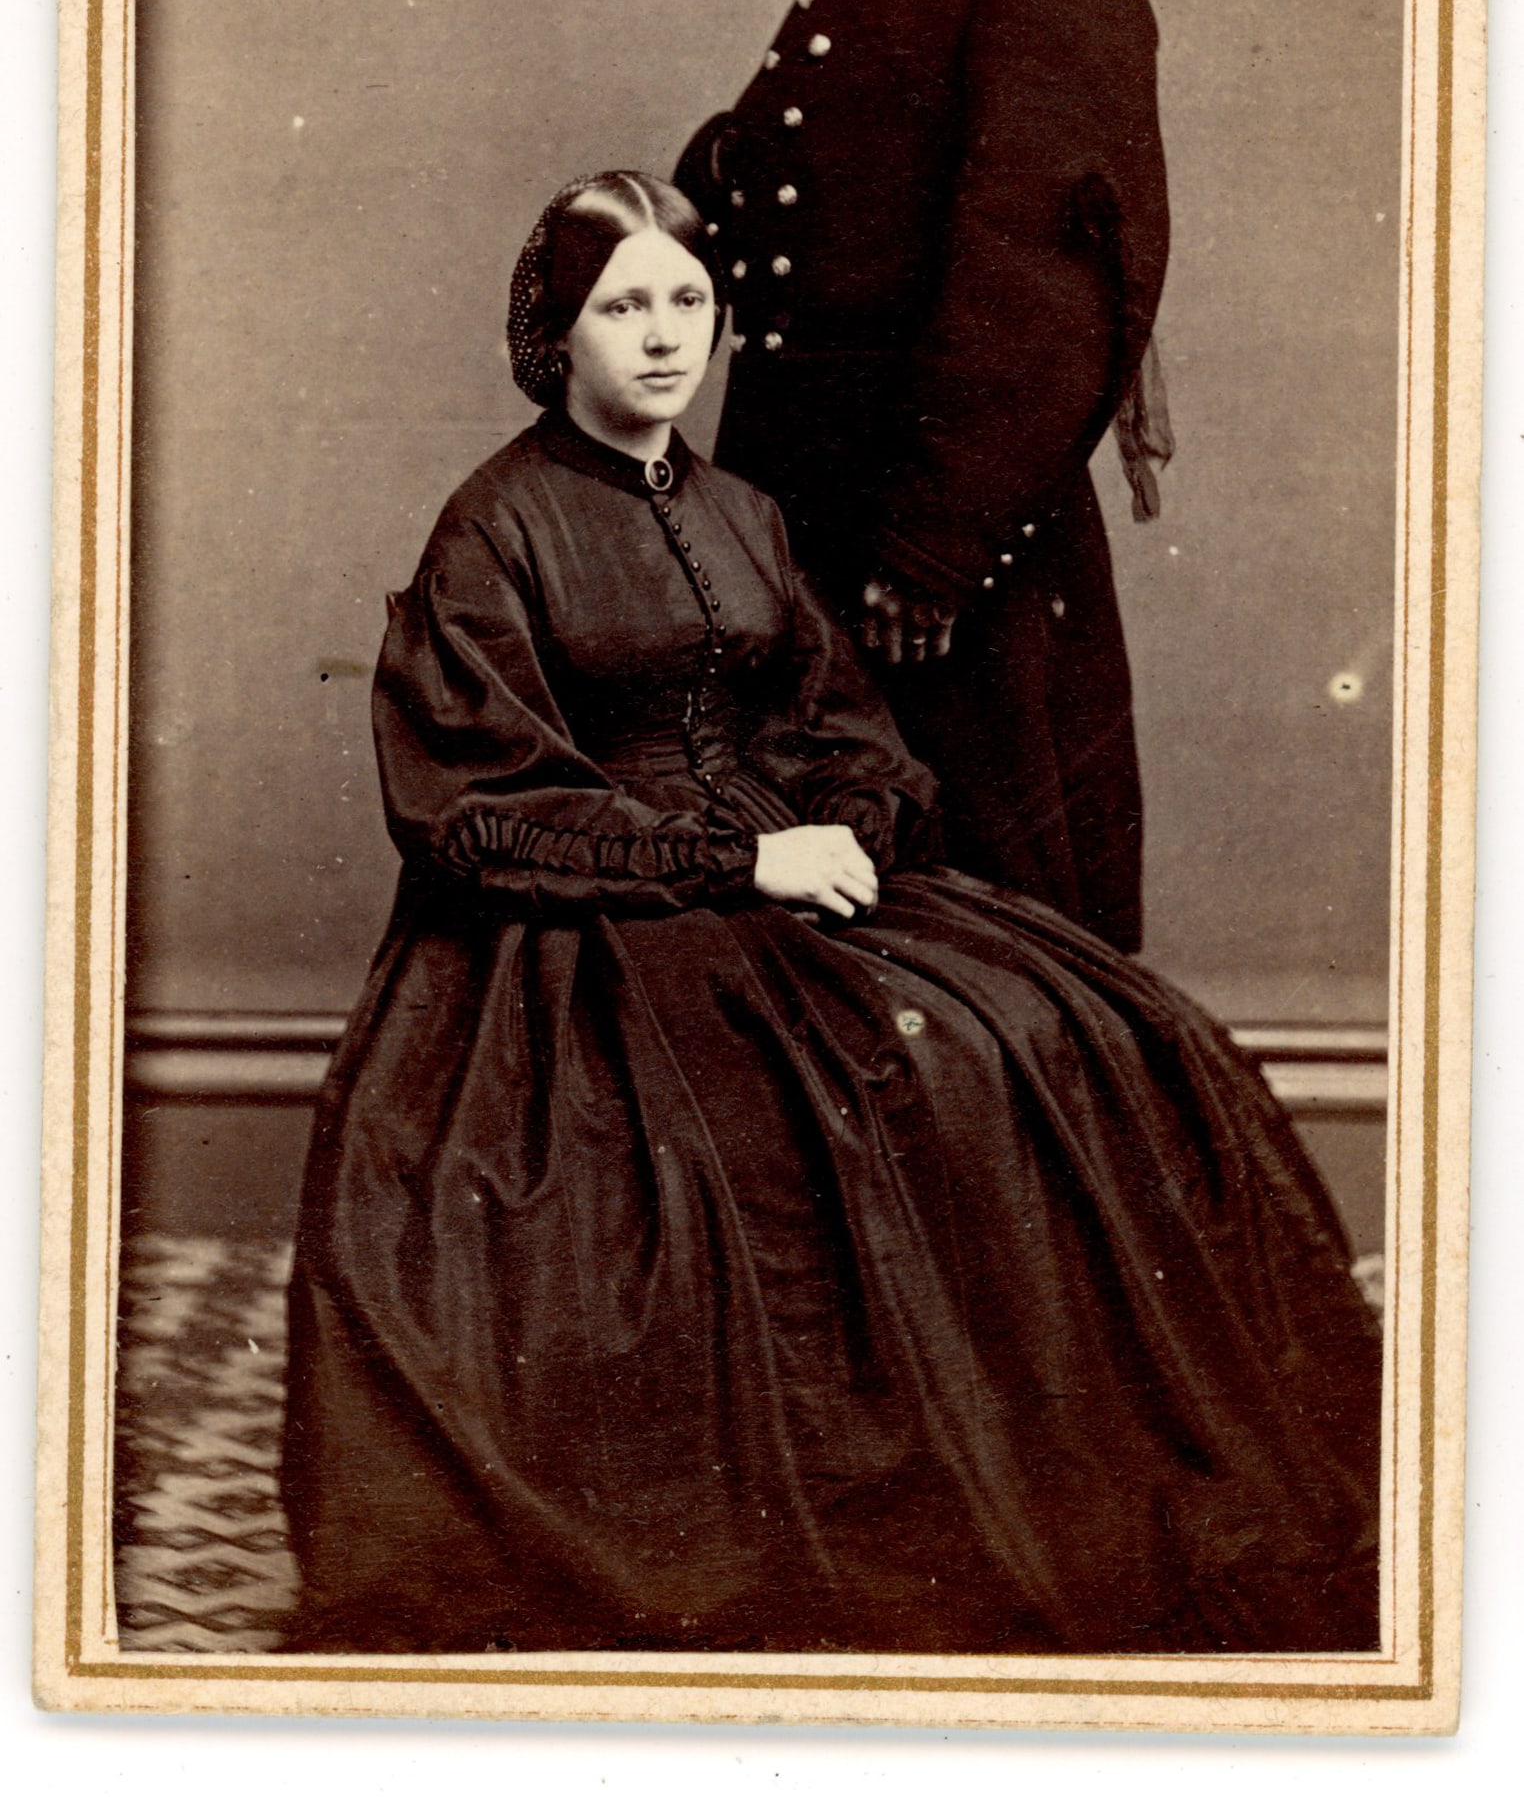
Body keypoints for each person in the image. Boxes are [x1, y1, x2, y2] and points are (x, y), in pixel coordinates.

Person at [280, 170, 1378, 1660]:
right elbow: (473, 802)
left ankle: (1055, 1461)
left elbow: (837, 721)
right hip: (575, 928)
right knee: (735, 1140)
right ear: (558, 335)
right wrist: (734, 867)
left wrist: (835, 828)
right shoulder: (496, 528)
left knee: (1076, 1026)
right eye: (623, 308)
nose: (662, 339)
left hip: (780, 866)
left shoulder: (742, 513)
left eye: (687, 301)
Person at [676, 0, 1171, 955]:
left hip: (939, 551)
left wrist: (933, 554)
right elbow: (773, 188)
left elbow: (1039, 295)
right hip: (806, 517)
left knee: (977, 932)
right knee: (828, 922)